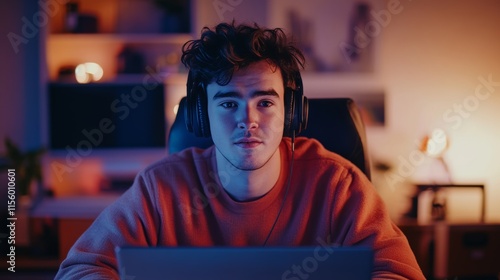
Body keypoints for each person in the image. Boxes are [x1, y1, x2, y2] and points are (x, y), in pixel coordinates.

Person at [55, 22, 424, 279]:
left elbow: (399, 272)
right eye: (229, 104)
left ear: (290, 112)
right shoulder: (160, 189)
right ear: (202, 115)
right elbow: (80, 269)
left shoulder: (337, 184)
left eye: (265, 103)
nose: (247, 120)